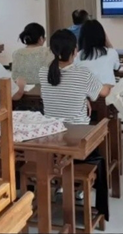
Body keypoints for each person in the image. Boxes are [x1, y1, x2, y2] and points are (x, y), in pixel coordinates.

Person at [39, 29, 111, 221]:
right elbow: (103, 93)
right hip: (77, 145)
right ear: (75, 51)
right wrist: (109, 86)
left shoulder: (44, 72)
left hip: (50, 142)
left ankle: (63, 184)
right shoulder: (82, 73)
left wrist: (83, 97)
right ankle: (77, 187)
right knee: (99, 133)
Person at [76, 20, 120, 85]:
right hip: (107, 90)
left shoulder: (77, 56)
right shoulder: (111, 53)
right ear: (102, 35)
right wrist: (108, 43)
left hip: (86, 91)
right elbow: (117, 67)